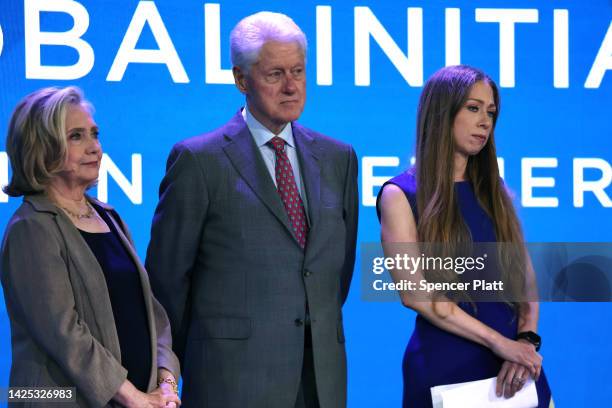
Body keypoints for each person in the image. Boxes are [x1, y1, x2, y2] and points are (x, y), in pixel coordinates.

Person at [145, 11, 358, 408]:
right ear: (241, 79)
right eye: (275, 74)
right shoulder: (199, 160)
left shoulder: (338, 158)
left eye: (298, 70)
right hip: (230, 379)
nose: (292, 86)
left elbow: (334, 274)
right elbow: (167, 284)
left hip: (321, 380)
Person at [376, 65, 552, 407]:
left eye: (491, 112)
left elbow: (524, 279)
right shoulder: (400, 194)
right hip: (447, 367)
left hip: (516, 366)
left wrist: (525, 341)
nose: (485, 121)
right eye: (473, 108)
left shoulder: (496, 192)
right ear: (442, 112)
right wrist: (498, 342)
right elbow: (414, 294)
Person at [0, 87, 181, 407]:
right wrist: (133, 397)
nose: (94, 147)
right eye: (76, 136)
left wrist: (166, 384)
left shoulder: (109, 217)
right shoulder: (31, 227)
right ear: (42, 147)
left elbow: (154, 316)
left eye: (94, 134)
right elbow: (64, 334)